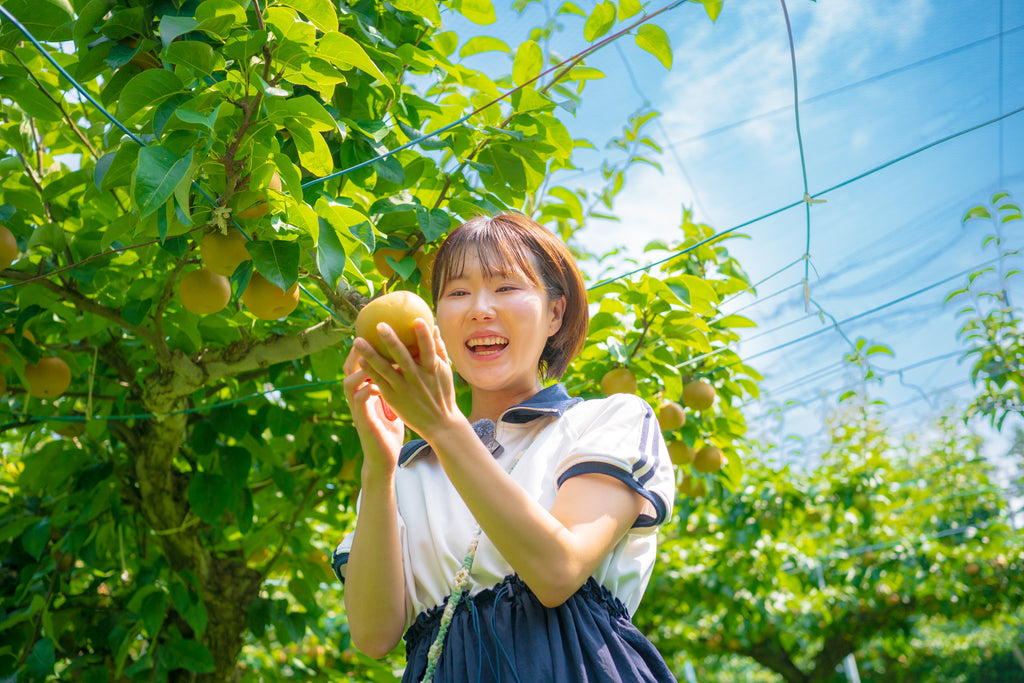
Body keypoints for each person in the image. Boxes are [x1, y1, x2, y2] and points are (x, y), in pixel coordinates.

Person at [332, 213, 677, 682]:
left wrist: (444, 427)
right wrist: (379, 465)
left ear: (555, 313)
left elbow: (558, 572)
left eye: (506, 287)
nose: (479, 308)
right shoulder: (407, 473)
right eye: (457, 293)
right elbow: (374, 635)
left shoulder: (605, 421)